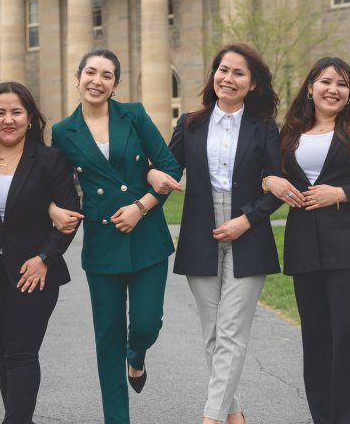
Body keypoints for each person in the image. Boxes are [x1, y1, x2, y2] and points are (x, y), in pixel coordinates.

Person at [147, 43, 282, 424]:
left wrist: (247, 219)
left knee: (231, 330)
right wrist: (151, 175)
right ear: (214, 74)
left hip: (249, 232)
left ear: (253, 84)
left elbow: (278, 186)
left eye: (239, 73)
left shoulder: (266, 128)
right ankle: (234, 413)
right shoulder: (190, 123)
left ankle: (210, 418)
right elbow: (167, 170)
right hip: (200, 233)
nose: (229, 78)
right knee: (212, 333)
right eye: (223, 70)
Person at [49, 48, 182, 424]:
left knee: (145, 324)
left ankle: (136, 356)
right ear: (77, 78)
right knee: (108, 341)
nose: (97, 80)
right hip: (103, 244)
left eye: (106, 75)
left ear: (116, 85)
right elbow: (54, 185)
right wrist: (53, 209)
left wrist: (141, 205)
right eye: (90, 72)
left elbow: (169, 167)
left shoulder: (135, 115)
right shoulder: (63, 132)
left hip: (147, 237)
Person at [263, 57, 350, 424]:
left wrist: (340, 193)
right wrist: (266, 182)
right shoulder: (290, 132)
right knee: (316, 338)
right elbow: (272, 178)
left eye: (342, 84)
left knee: (348, 333)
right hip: (304, 246)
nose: (333, 90)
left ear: (349, 92)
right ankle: (323, 417)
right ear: (310, 87)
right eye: (326, 82)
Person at [0, 82, 81, 423]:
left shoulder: (50, 160)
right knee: (2, 353)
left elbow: (70, 214)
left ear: (31, 117)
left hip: (35, 271)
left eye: (17, 112)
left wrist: (44, 258)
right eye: (0, 112)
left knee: (22, 353)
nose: (9, 119)